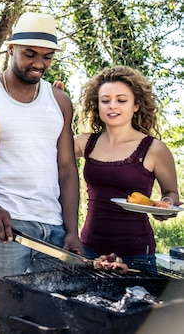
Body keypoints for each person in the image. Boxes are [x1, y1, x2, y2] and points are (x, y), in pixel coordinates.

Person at [0, 12, 84, 334]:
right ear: (10, 51)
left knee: (50, 324)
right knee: (1, 323)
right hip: (7, 229)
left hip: (54, 229)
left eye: (46, 57)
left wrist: (71, 230)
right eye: (30, 54)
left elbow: (66, 170)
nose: (39, 63)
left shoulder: (59, 100)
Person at [74, 65, 180, 266]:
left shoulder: (154, 149)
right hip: (89, 249)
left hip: (137, 253)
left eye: (121, 100)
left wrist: (164, 206)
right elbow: (46, 155)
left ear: (136, 105)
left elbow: (171, 193)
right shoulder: (84, 143)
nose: (112, 106)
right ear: (97, 105)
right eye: (105, 101)